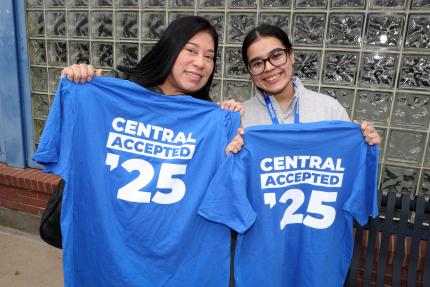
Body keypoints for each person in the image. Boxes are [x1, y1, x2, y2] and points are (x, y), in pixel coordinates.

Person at [38, 16, 244, 287]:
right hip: (109, 257)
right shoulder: (111, 98)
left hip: (175, 264)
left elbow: (228, 198)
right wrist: (78, 83)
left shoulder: (214, 121)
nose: (201, 62)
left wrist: (233, 143)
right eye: (191, 50)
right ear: (170, 48)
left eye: (209, 56)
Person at [225, 24, 381, 153]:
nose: (269, 67)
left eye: (276, 56)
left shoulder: (329, 109)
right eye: (257, 63)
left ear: (292, 55)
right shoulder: (239, 117)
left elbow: (349, 165)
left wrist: (366, 144)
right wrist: (227, 153)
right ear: (250, 72)